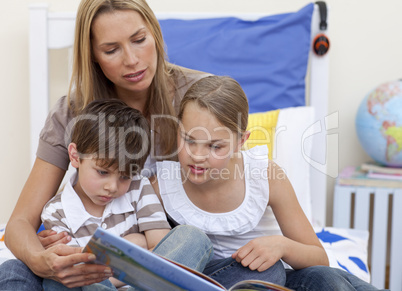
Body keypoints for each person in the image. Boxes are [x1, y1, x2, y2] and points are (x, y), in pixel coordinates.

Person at [1, 0, 211, 289]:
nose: (132, 60)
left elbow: (230, 190)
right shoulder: (71, 113)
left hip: (169, 254)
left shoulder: (201, 97)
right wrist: (46, 262)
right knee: (13, 271)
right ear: (93, 56)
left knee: (262, 270)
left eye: (139, 40)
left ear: (156, 35)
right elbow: (19, 224)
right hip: (96, 267)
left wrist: (137, 231)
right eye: (111, 50)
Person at [151, 75, 387, 291]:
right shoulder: (162, 186)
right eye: (189, 140)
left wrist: (281, 246)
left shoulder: (265, 176)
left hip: (273, 279)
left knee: (328, 279)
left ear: (241, 141)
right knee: (270, 274)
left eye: (215, 146)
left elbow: (318, 257)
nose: (198, 155)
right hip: (220, 280)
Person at [41, 99, 172, 290]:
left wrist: (105, 272)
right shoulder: (55, 212)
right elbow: (76, 273)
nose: (112, 187)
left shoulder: (138, 187)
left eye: (125, 176)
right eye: (103, 172)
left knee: (190, 238)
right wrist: (136, 242)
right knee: (54, 283)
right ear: (75, 156)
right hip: (92, 287)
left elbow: (165, 252)